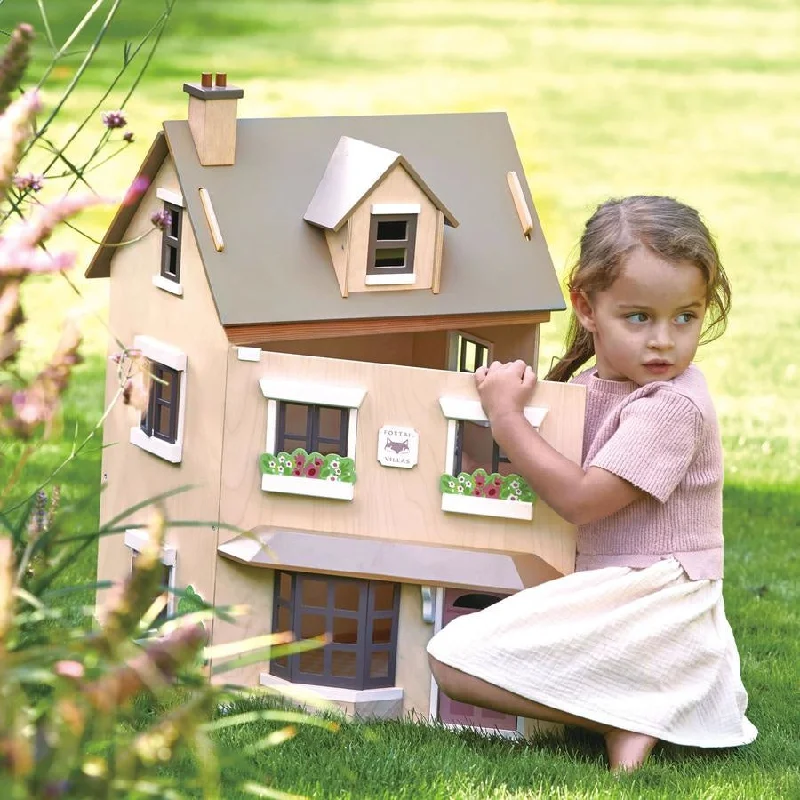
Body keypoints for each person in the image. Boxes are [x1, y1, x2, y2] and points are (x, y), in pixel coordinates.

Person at [426, 195, 757, 771]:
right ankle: (627, 707)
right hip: (614, 586)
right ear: (586, 306)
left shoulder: (671, 406)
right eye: (640, 317)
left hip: (652, 596)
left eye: (686, 316)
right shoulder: (594, 387)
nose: (664, 340)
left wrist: (504, 418)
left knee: (450, 657)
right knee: (457, 651)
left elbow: (580, 499)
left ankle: (622, 712)